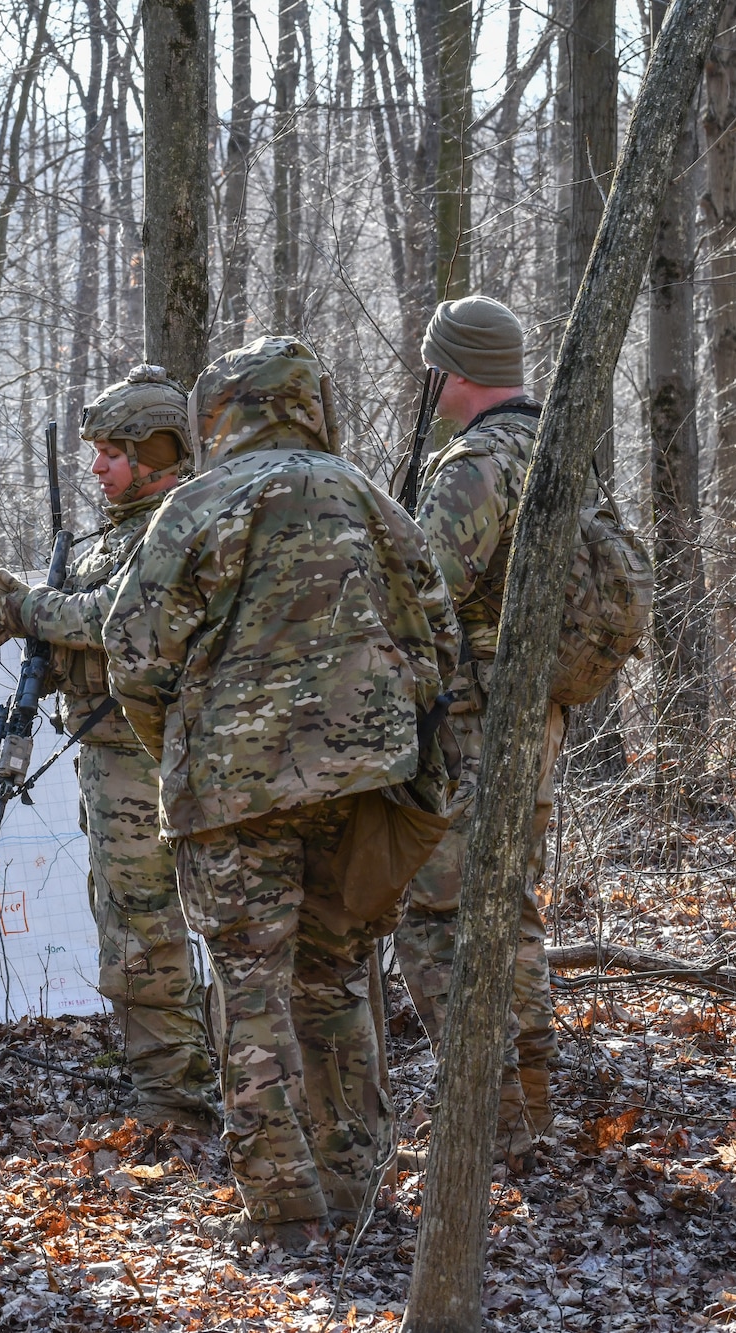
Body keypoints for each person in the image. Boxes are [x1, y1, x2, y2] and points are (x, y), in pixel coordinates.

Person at [103, 337, 459, 1251]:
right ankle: (357, 1183)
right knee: (337, 977)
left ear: (223, 412)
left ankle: (287, 1212)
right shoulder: (372, 500)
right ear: (308, 404)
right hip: (363, 787)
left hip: (231, 796)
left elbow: (135, 654)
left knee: (250, 988)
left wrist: (183, 749)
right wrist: (382, 744)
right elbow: (437, 645)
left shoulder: (198, 504)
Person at [0, 366, 218, 1135]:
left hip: (151, 762)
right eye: (96, 450)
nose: (97, 466)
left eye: (112, 450)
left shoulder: (178, 523)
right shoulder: (125, 531)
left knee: (145, 927)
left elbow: (113, 616)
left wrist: (22, 608)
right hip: (113, 757)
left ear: (155, 449)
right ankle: (169, 1073)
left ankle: (175, 1097)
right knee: (129, 919)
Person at [395, 295, 565, 1158]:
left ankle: (489, 1106)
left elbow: (424, 594)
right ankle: (525, 1105)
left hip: (472, 723)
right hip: (535, 715)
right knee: (512, 908)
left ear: (456, 371)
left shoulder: (477, 463)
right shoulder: (557, 443)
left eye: (435, 366)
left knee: (433, 916)